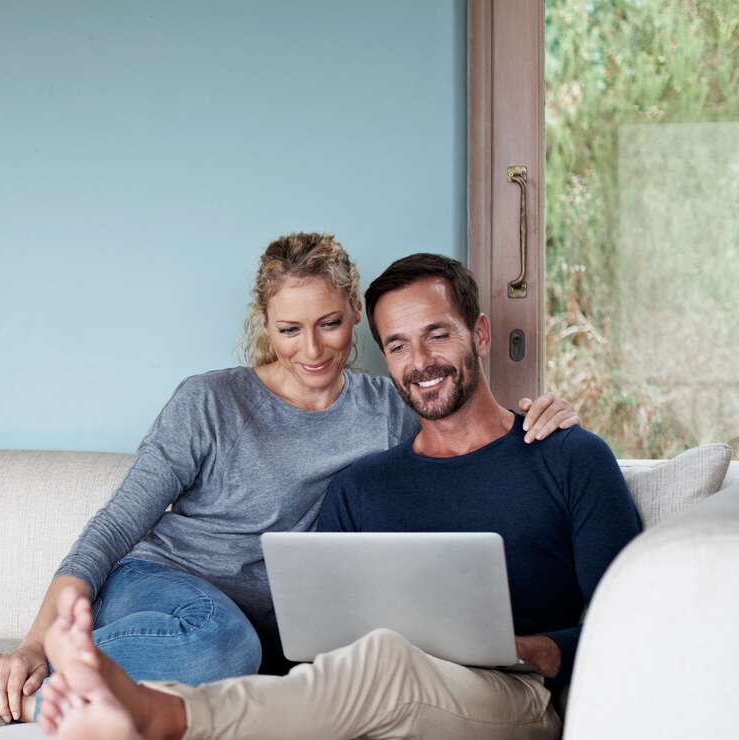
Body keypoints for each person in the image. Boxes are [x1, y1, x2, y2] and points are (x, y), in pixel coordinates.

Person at [0, 235, 580, 724]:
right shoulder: (211, 400)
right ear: (265, 325)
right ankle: (3, 687)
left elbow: (455, 438)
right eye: (290, 329)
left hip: (275, 622)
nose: (314, 349)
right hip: (164, 585)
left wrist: (536, 413)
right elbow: (115, 525)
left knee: (262, 658)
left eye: (331, 324)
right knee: (221, 645)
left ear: (351, 319)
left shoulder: (382, 410)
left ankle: (26, 679)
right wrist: (29, 642)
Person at [34, 253, 642, 740]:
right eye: (399, 346)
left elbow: (635, 615)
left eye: (438, 335)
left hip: (516, 692)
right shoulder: (364, 481)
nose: (421, 361)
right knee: (358, 657)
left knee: (381, 664)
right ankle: (94, 693)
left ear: (479, 335)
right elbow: (320, 632)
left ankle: (157, 716)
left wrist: (544, 650)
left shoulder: (566, 455)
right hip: (339, 663)